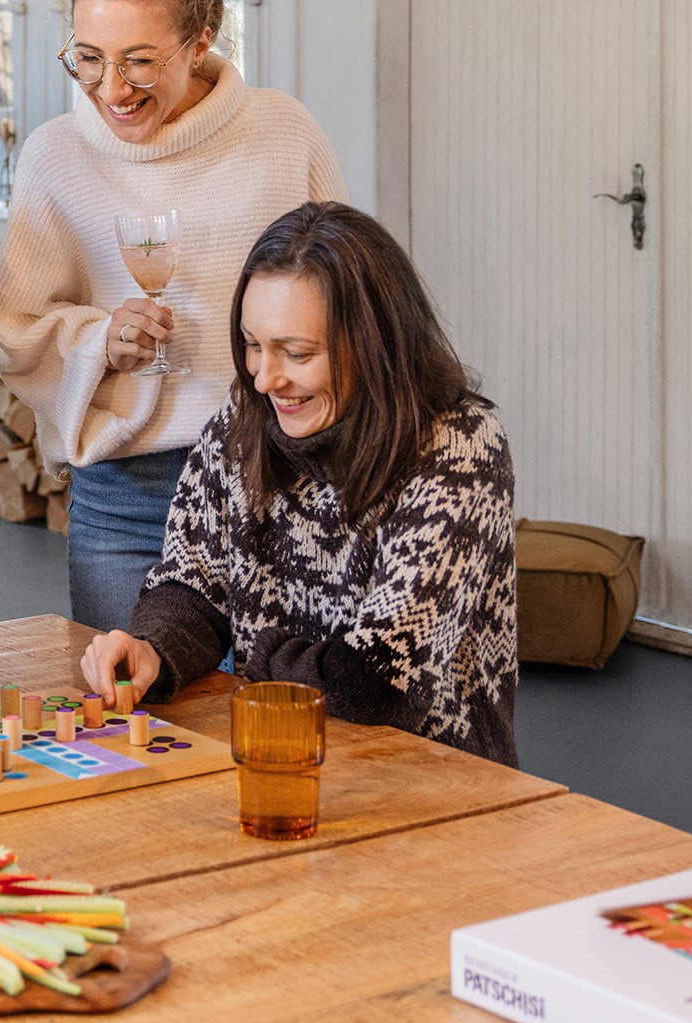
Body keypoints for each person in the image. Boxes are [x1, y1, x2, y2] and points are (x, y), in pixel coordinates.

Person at [0, 0, 347, 633]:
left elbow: (350, 300)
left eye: (139, 61)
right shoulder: (56, 156)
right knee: (133, 728)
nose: (111, 89)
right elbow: (13, 328)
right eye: (88, 58)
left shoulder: (282, 132)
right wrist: (98, 342)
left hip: (279, 477)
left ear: (200, 41)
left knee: (279, 726)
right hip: (127, 497)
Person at [79, 202, 519, 765]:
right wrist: (153, 649)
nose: (265, 378)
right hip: (286, 752)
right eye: (253, 344)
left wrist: (255, 650)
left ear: (376, 343)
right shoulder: (246, 415)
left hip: (435, 777)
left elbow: (375, 682)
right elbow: (193, 584)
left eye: (298, 353)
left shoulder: (459, 445)